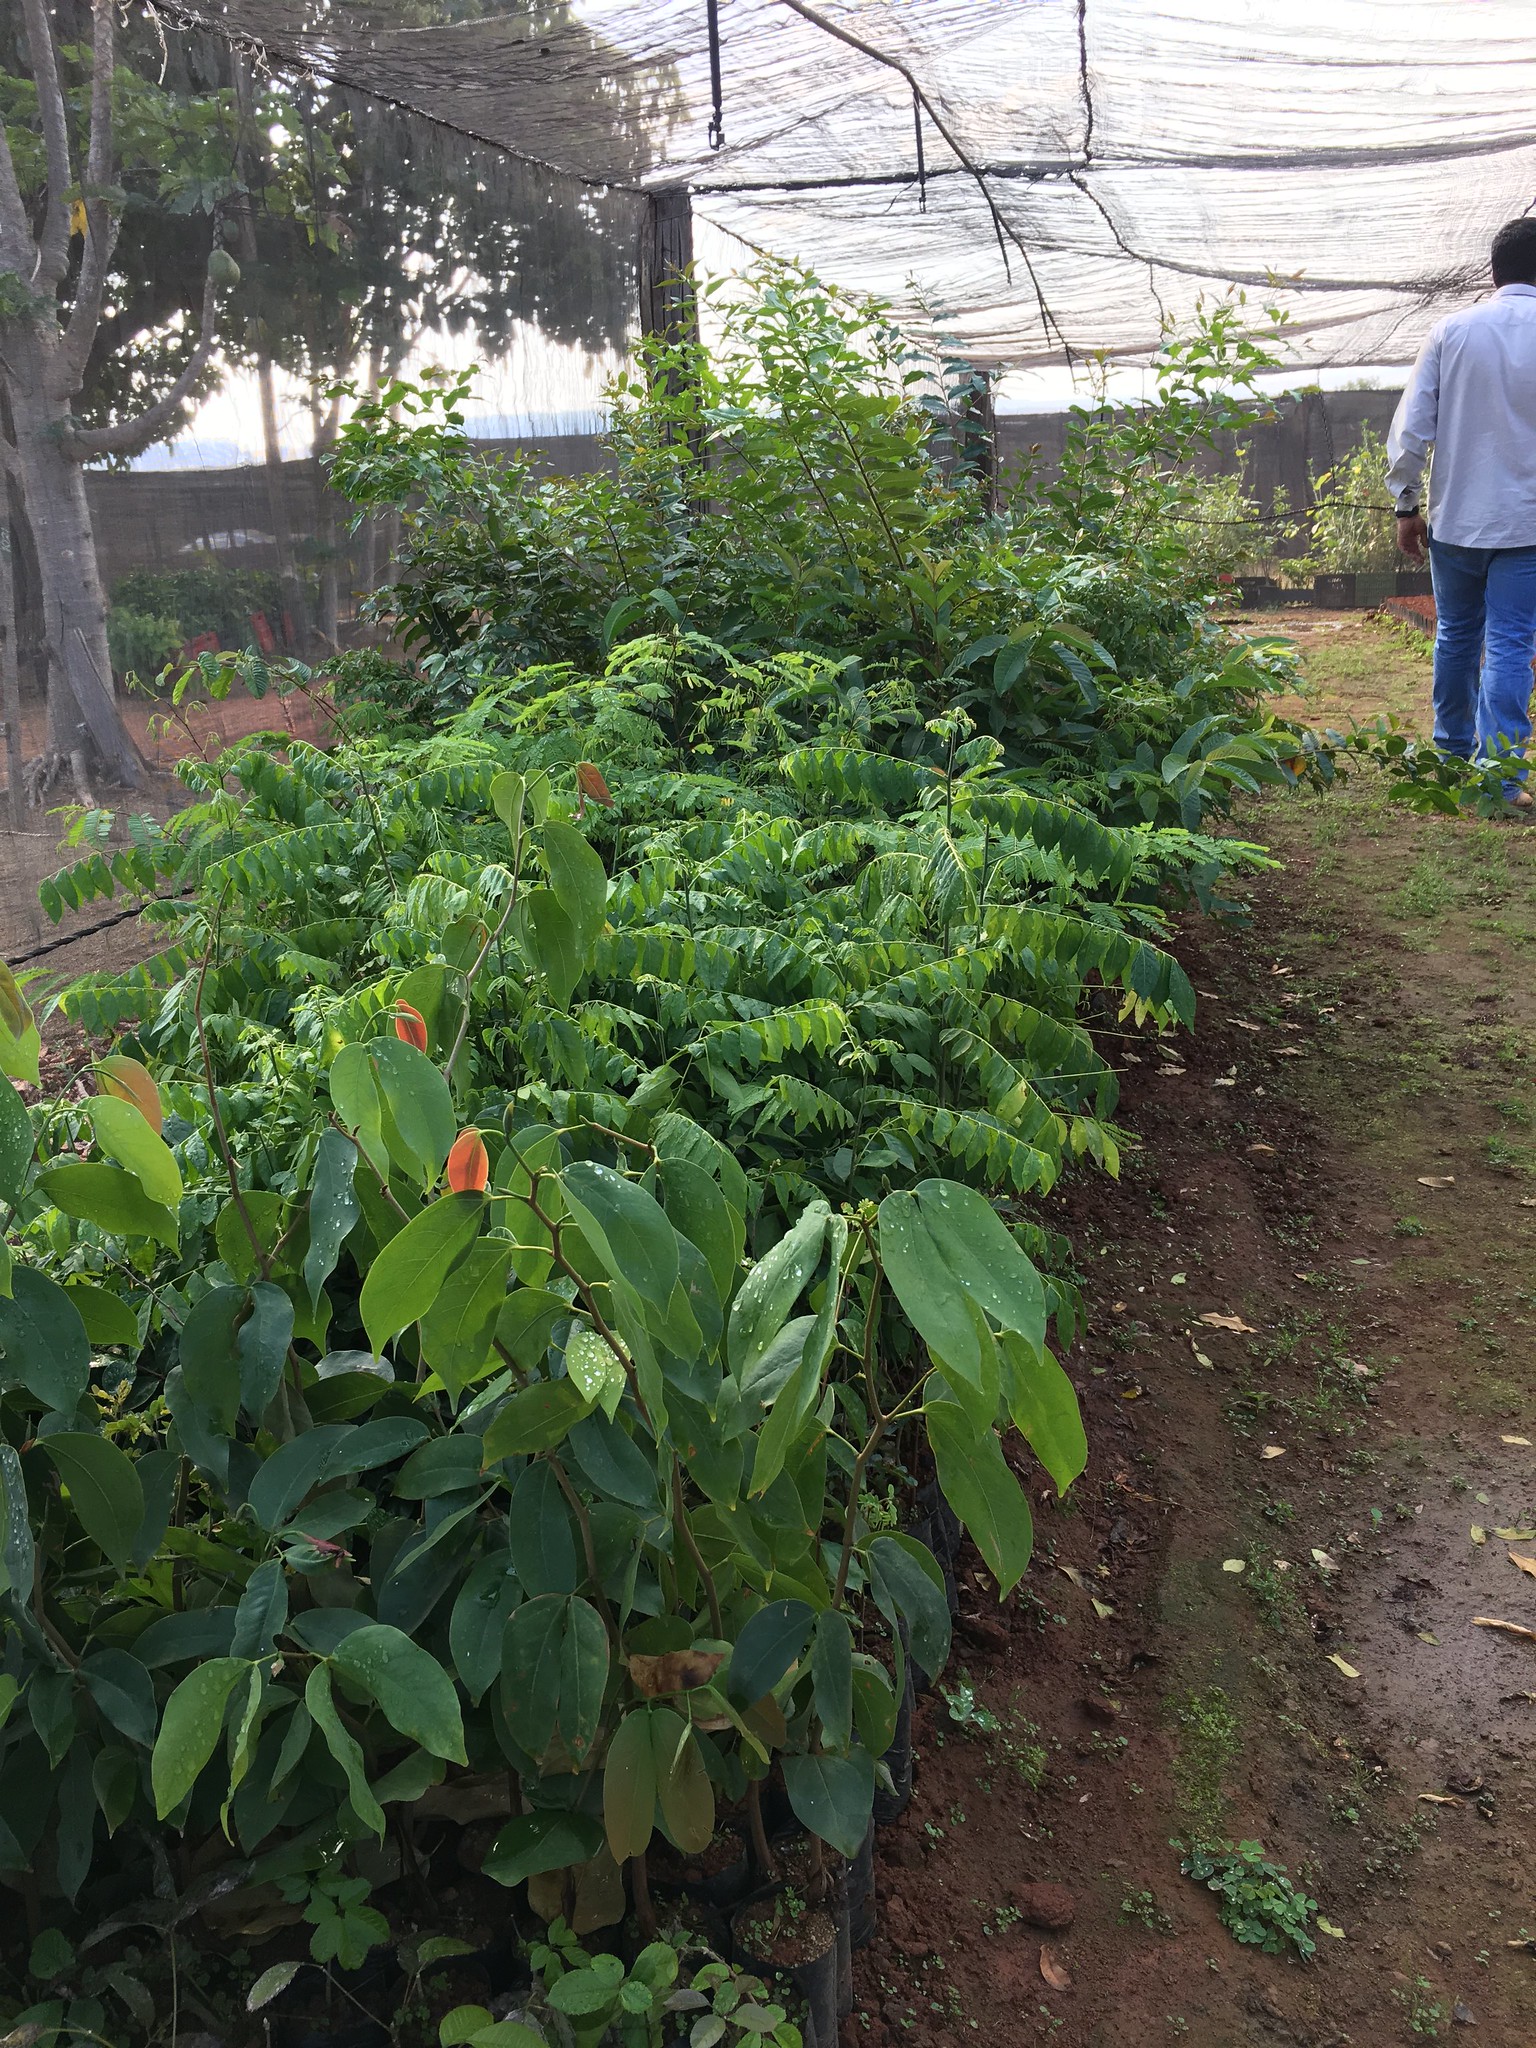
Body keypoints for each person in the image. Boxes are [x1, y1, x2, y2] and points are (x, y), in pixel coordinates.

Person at [1386, 215, 1536, 810]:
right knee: (1510, 642)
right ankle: (1498, 782)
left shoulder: (1451, 331)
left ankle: (1448, 758)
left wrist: (1406, 506)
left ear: (1493, 272)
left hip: (1456, 522)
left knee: (1456, 635)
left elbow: (1411, 430)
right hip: (1527, 528)